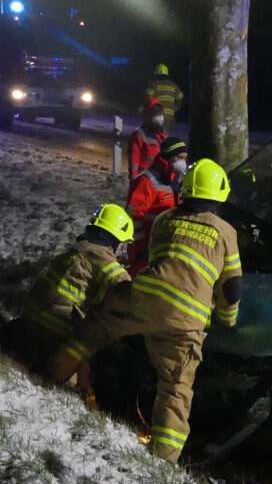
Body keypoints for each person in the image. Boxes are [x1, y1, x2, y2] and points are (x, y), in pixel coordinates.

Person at [47, 159, 242, 463]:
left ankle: (50, 375)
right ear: (219, 194)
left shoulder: (165, 219)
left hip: (143, 300)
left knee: (93, 330)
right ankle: (162, 462)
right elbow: (231, 287)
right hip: (183, 320)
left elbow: (156, 259)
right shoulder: (226, 232)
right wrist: (226, 320)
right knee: (175, 389)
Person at [11, 204, 134, 373]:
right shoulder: (101, 257)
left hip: (29, 320)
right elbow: (130, 292)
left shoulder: (75, 248)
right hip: (55, 332)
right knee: (98, 342)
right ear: (116, 239)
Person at [125, 136, 188, 276]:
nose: (183, 162)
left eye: (184, 157)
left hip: (163, 245)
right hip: (144, 248)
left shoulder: (176, 180)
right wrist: (142, 247)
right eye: (179, 157)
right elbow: (131, 218)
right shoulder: (147, 181)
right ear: (168, 156)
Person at [129, 98, 167, 180]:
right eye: (156, 114)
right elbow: (133, 163)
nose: (160, 117)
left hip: (160, 180)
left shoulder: (163, 136)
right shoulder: (138, 135)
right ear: (148, 115)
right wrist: (134, 182)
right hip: (144, 180)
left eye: (160, 113)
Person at [144, 63, 184, 132]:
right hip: (170, 117)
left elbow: (148, 98)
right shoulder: (173, 85)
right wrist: (175, 108)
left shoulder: (153, 83)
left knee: (153, 134)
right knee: (165, 134)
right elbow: (181, 97)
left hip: (158, 114)